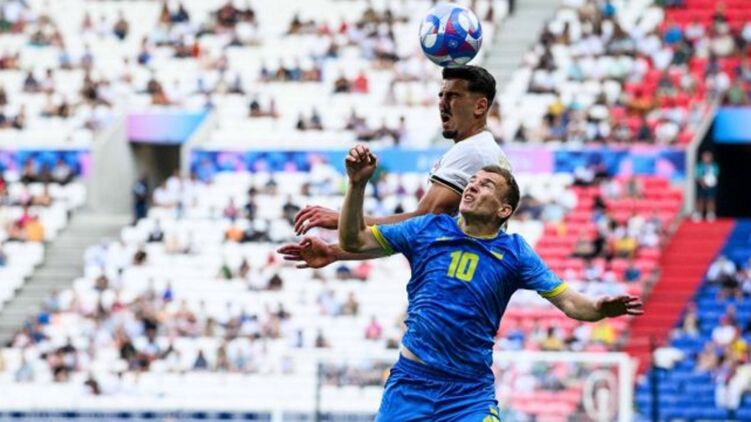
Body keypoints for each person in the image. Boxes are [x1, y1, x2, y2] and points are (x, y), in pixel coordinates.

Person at [279, 145, 644, 421]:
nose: (471, 188)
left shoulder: (515, 253)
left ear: (503, 210)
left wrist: (599, 309)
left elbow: (571, 303)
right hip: (411, 384)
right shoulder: (426, 229)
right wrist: (357, 184)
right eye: (471, 182)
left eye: (485, 186)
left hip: (468, 394)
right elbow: (355, 241)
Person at [293, 65, 511, 235]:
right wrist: (335, 252)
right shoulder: (484, 148)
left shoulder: (473, 150)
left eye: (453, 96)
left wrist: (342, 219)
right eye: (441, 95)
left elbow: (423, 222)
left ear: (480, 106)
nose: (442, 103)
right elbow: (422, 232)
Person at [694, 150, 719, 222]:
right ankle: (699, 213)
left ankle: (710, 213)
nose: (707, 159)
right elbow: (697, 175)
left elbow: (716, 175)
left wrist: (712, 182)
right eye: (705, 157)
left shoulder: (714, 166)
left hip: (711, 186)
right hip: (701, 185)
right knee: (700, 200)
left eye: (708, 157)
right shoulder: (699, 166)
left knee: (711, 199)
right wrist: (702, 182)